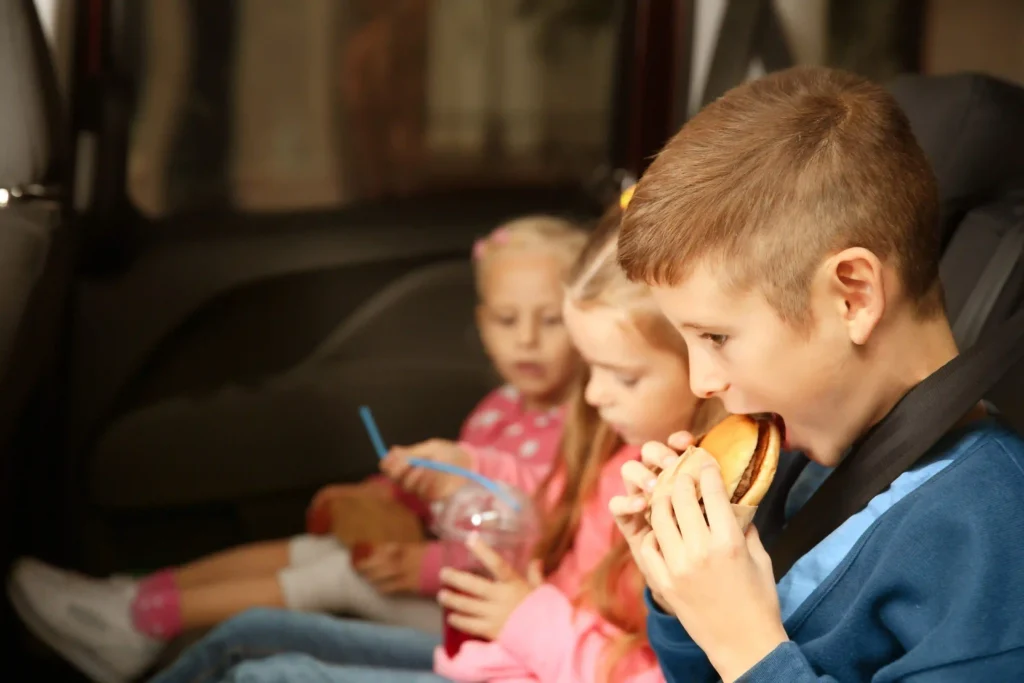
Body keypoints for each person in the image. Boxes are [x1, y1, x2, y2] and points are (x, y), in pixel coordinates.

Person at [144, 195, 725, 683]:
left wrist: (526, 616)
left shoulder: (695, 510)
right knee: (248, 637)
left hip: (528, 656)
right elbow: (544, 510)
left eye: (621, 376)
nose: (592, 395)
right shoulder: (610, 445)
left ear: (704, 369)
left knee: (268, 676)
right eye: (590, 367)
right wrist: (464, 470)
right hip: (504, 655)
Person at [8, 216, 587, 683]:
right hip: (444, 573)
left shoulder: (579, 428)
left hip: (482, 605)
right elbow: (446, 488)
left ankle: (141, 623)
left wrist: (421, 567)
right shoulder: (497, 408)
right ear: (482, 324)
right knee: (315, 546)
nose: (527, 340)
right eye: (508, 321)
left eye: (549, 321)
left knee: (337, 573)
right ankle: (137, 599)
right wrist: (387, 493)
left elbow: (533, 532)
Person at [609, 65, 1024, 682]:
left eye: (717, 336)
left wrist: (745, 642)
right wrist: (683, 598)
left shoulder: (989, 531)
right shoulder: (801, 461)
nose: (701, 383)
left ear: (852, 296)